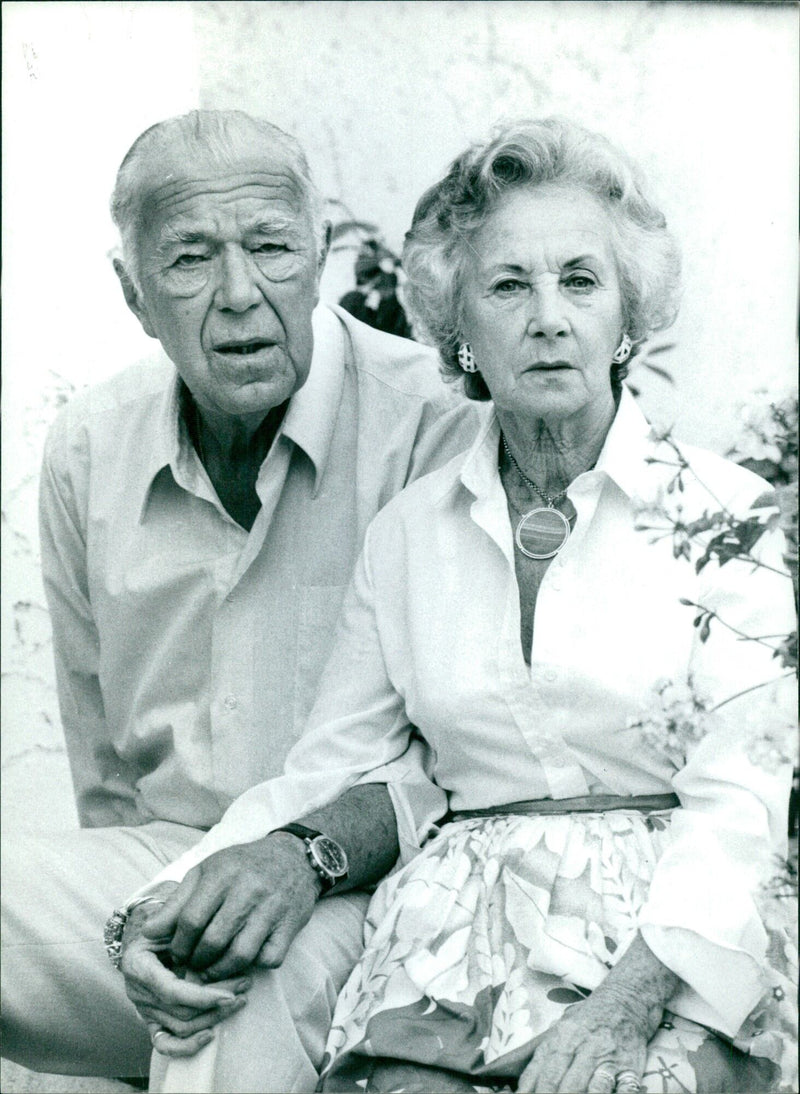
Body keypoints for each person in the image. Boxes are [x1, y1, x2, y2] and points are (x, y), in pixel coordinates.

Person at [136, 118, 797, 1093]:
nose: (546, 316)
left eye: (579, 280)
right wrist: (163, 902)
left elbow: (746, 798)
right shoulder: (410, 535)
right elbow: (334, 763)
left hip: (676, 945)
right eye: (506, 285)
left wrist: (621, 1006)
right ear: (456, 328)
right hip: (453, 947)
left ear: (627, 316)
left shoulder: (725, 517)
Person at [0, 109, 479, 1091]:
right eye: (187, 258)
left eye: (269, 247)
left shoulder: (435, 429)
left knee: (225, 968)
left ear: (318, 258)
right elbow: (102, 763)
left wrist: (295, 854)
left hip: (370, 883)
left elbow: (465, 759)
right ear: (132, 291)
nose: (237, 296)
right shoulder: (88, 446)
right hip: (170, 859)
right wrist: (142, 921)